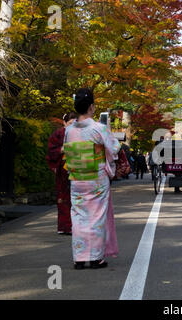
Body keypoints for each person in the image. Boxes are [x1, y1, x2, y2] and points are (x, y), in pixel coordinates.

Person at [63, 88, 120, 270]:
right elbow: (114, 148)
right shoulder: (99, 128)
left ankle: (79, 258)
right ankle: (95, 258)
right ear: (92, 107)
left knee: (78, 216)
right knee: (96, 216)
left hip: (77, 177)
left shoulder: (69, 130)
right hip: (96, 177)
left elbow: (66, 149)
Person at [47, 112, 77, 235]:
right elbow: (51, 151)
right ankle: (64, 226)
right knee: (63, 198)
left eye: (75, 123)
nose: (73, 125)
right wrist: (62, 149)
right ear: (64, 122)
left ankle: (76, 226)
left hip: (78, 168)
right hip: (63, 170)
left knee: (77, 199)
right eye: (70, 123)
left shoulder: (80, 133)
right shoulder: (58, 134)